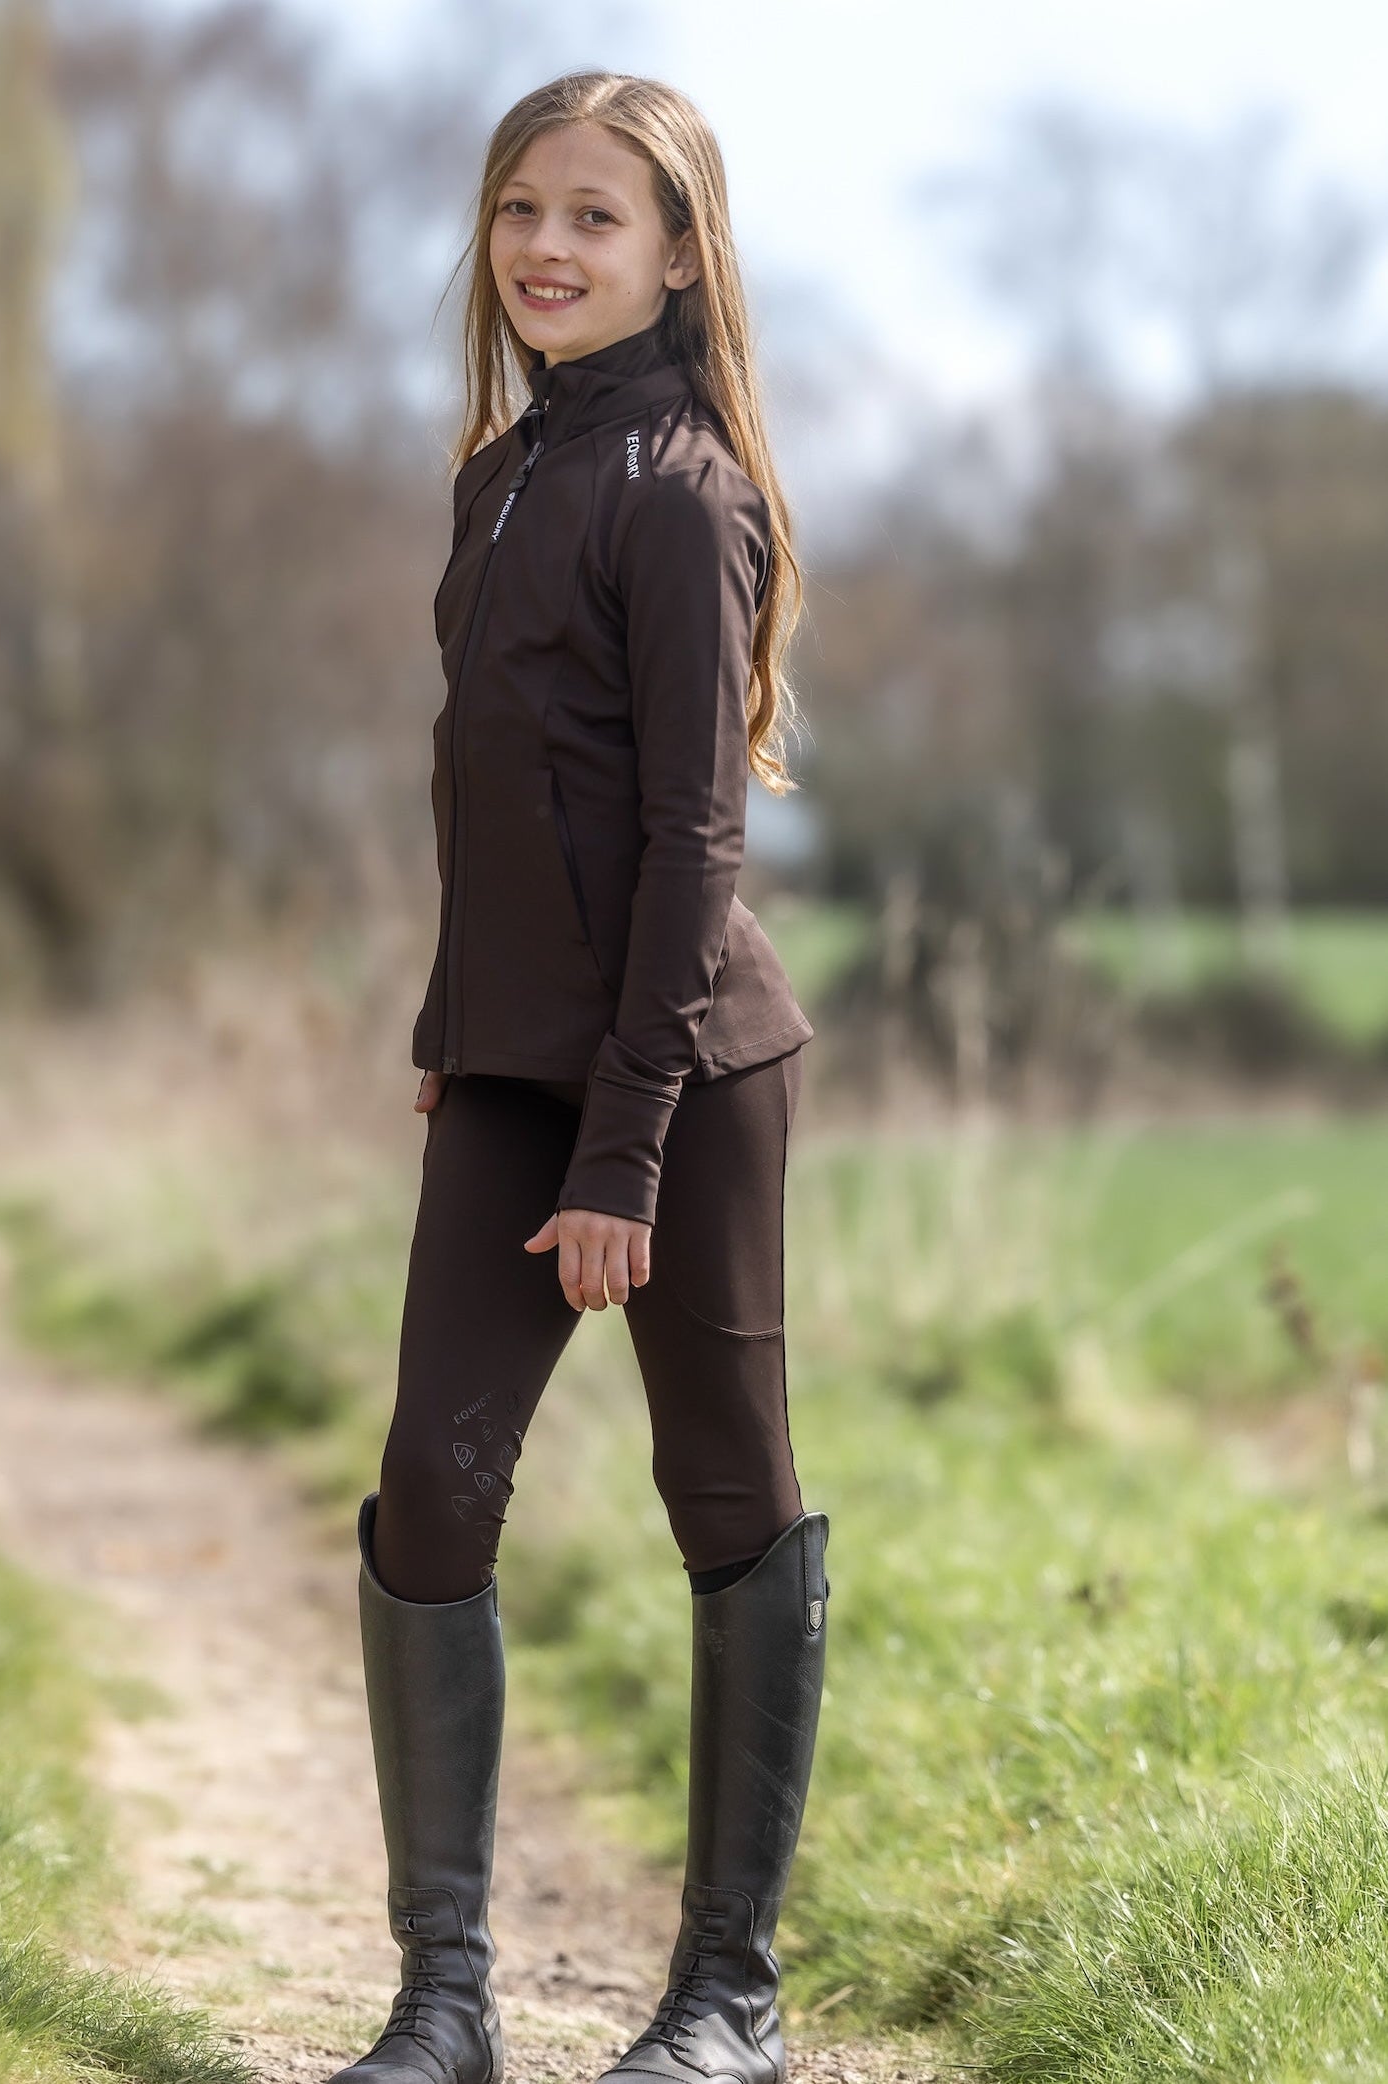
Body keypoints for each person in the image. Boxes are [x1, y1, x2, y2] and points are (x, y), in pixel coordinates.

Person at [330, 69, 829, 2084]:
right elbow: (494, 797)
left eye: (596, 216)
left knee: (726, 1493)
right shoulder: (500, 475)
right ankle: (443, 2007)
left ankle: (729, 1995)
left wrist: (623, 1152)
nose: (546, 244)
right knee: (429, 1493)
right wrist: (459, 1035)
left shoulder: (685, 490)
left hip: (687, 1079)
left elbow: (694, 855)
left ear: (680, 251)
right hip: (520, 1071)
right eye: (522, 209)